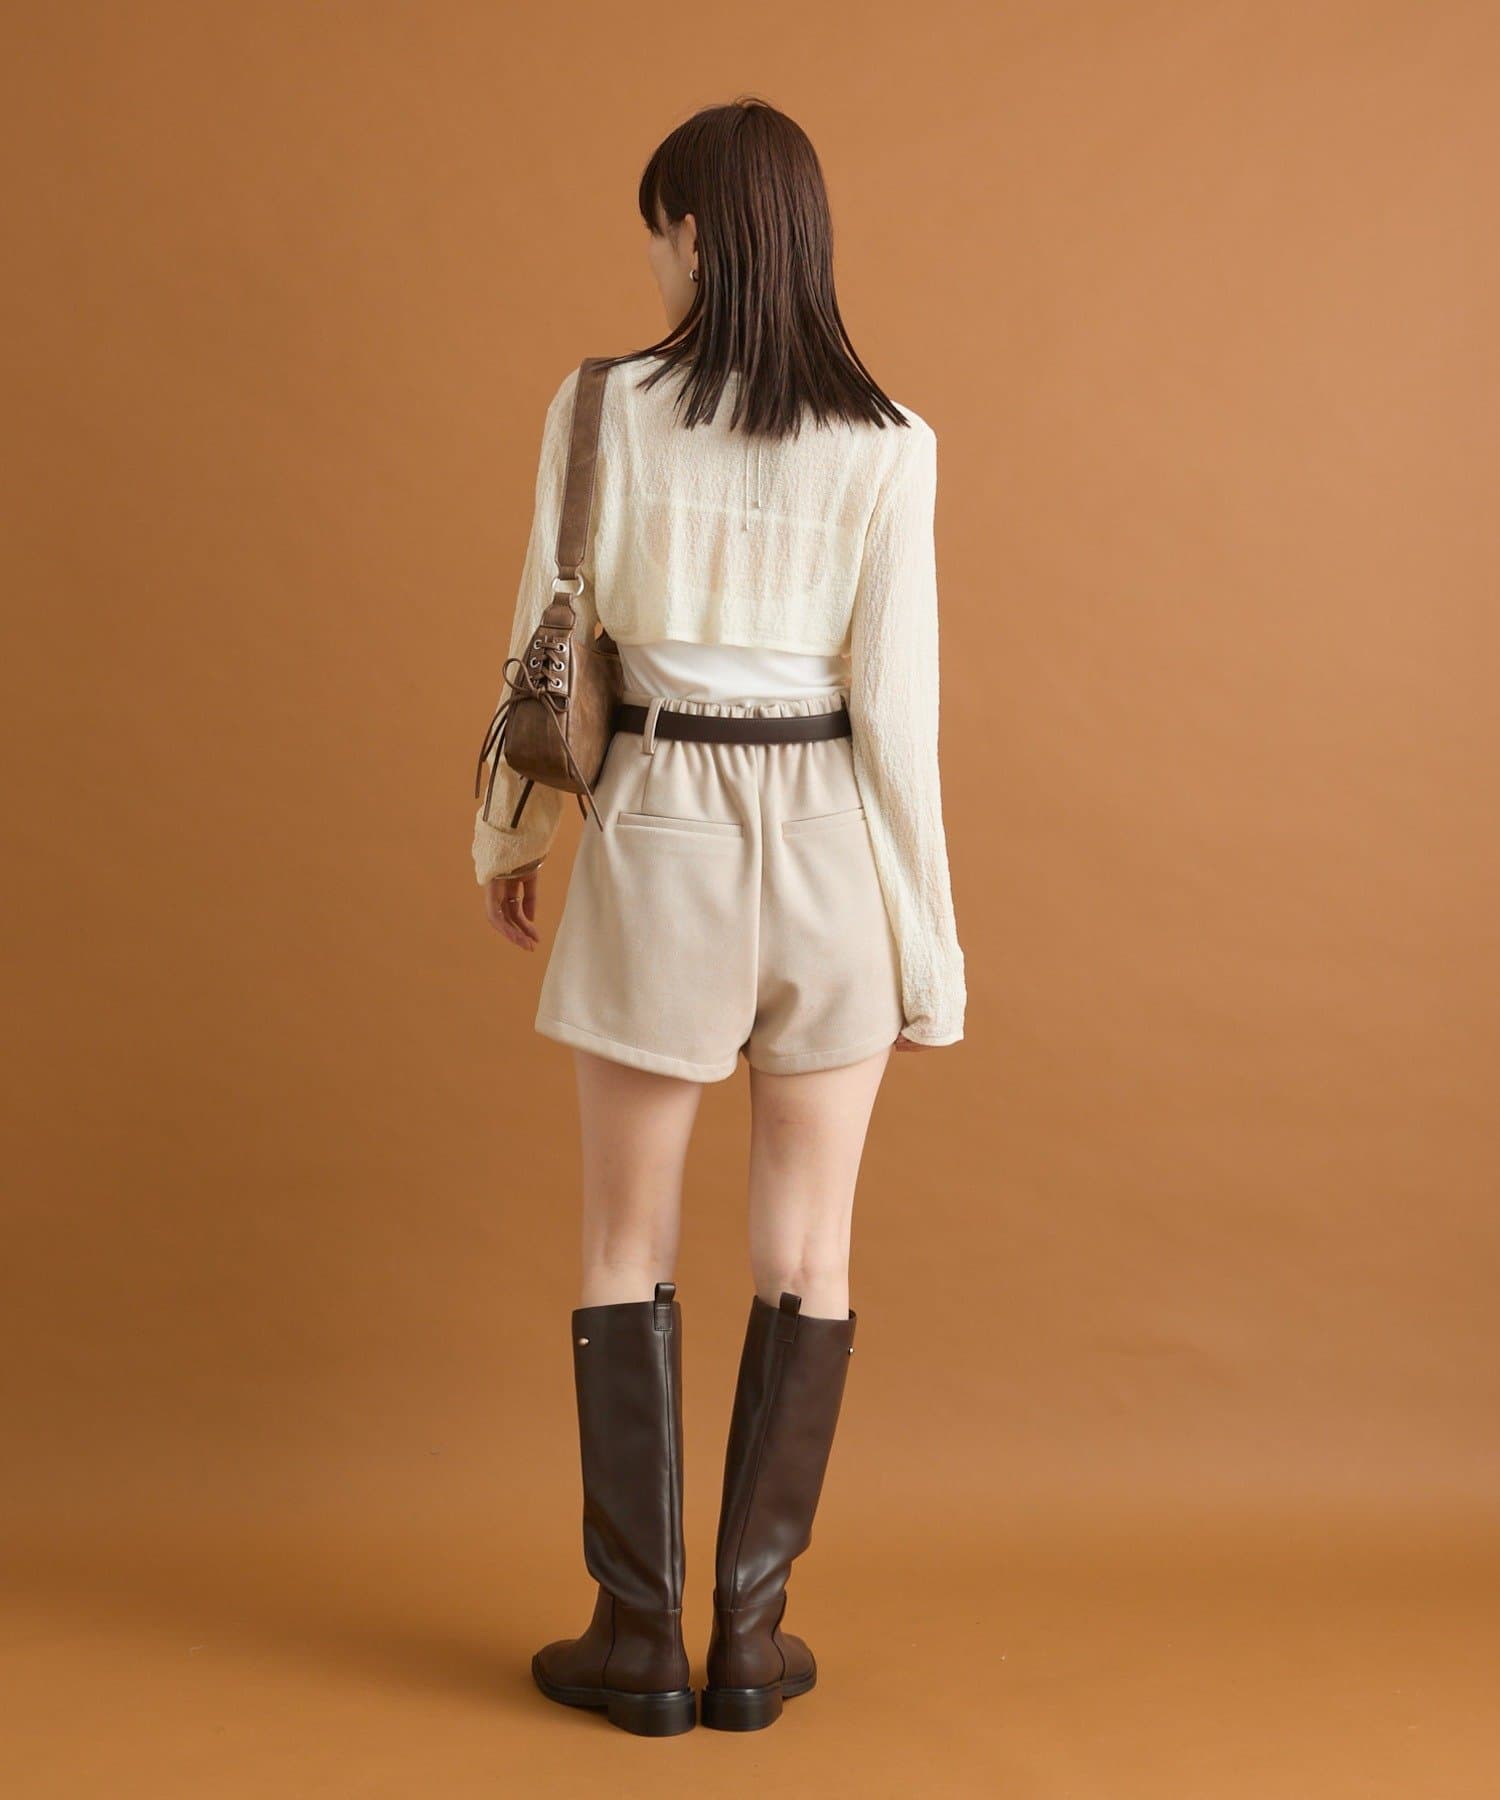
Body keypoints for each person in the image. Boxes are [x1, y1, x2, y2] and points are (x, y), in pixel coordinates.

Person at [470, 97, 966, 1736]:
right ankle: (752, 1637)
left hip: (662, 823)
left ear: (691, 233)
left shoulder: (600, 409)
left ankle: (639, 1640)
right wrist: (929, 953)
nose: (657, 261)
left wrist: (510, 835)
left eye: (658, 232)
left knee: (628, 1238)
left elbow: (547, 646)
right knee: (809, 1250)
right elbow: (902, 720)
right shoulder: (893, 442)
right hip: (832, 839)